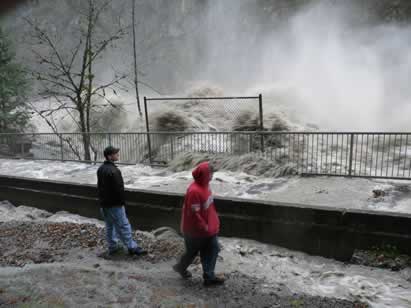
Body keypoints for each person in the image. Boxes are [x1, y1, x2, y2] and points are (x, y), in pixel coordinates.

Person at [173, 161, 225, 286]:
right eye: (211, 173)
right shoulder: (194, 191)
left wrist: (214, 221)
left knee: (207, 249)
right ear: (205, 174)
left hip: (204, 229)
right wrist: (205, 227)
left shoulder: (204, 186)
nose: (212, 176)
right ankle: (204, 275)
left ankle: (206, 276)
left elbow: (208, 207)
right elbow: (194, 215)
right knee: (201, 251)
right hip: (197, 231)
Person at [97, 145, 146, 256]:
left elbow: (100, 187)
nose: (118, 154)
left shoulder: (101, 169)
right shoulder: (114, 171)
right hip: (115, 204)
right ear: (109, 156)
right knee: (124, 225)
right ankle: (132, 247)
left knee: (110, 226)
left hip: (104, 204)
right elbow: (119, 189)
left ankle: (113, 247)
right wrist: (122, 203)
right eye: (115, 153)